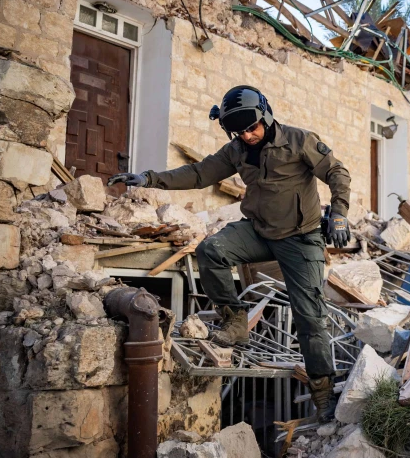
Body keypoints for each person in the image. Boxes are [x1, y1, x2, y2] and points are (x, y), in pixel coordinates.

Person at [108, 85, 351, 422]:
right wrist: (149, 179)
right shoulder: (236, 150)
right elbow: (198, 174)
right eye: (240, 131)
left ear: (266, 117)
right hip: (259, 231)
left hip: (301, 237)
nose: (248, 136)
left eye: (253, 128)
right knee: (212, 250)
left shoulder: (299, 141)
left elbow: (337, 172)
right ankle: (236, 321)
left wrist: (338, 213)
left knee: (310, 317)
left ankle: (322, 394)